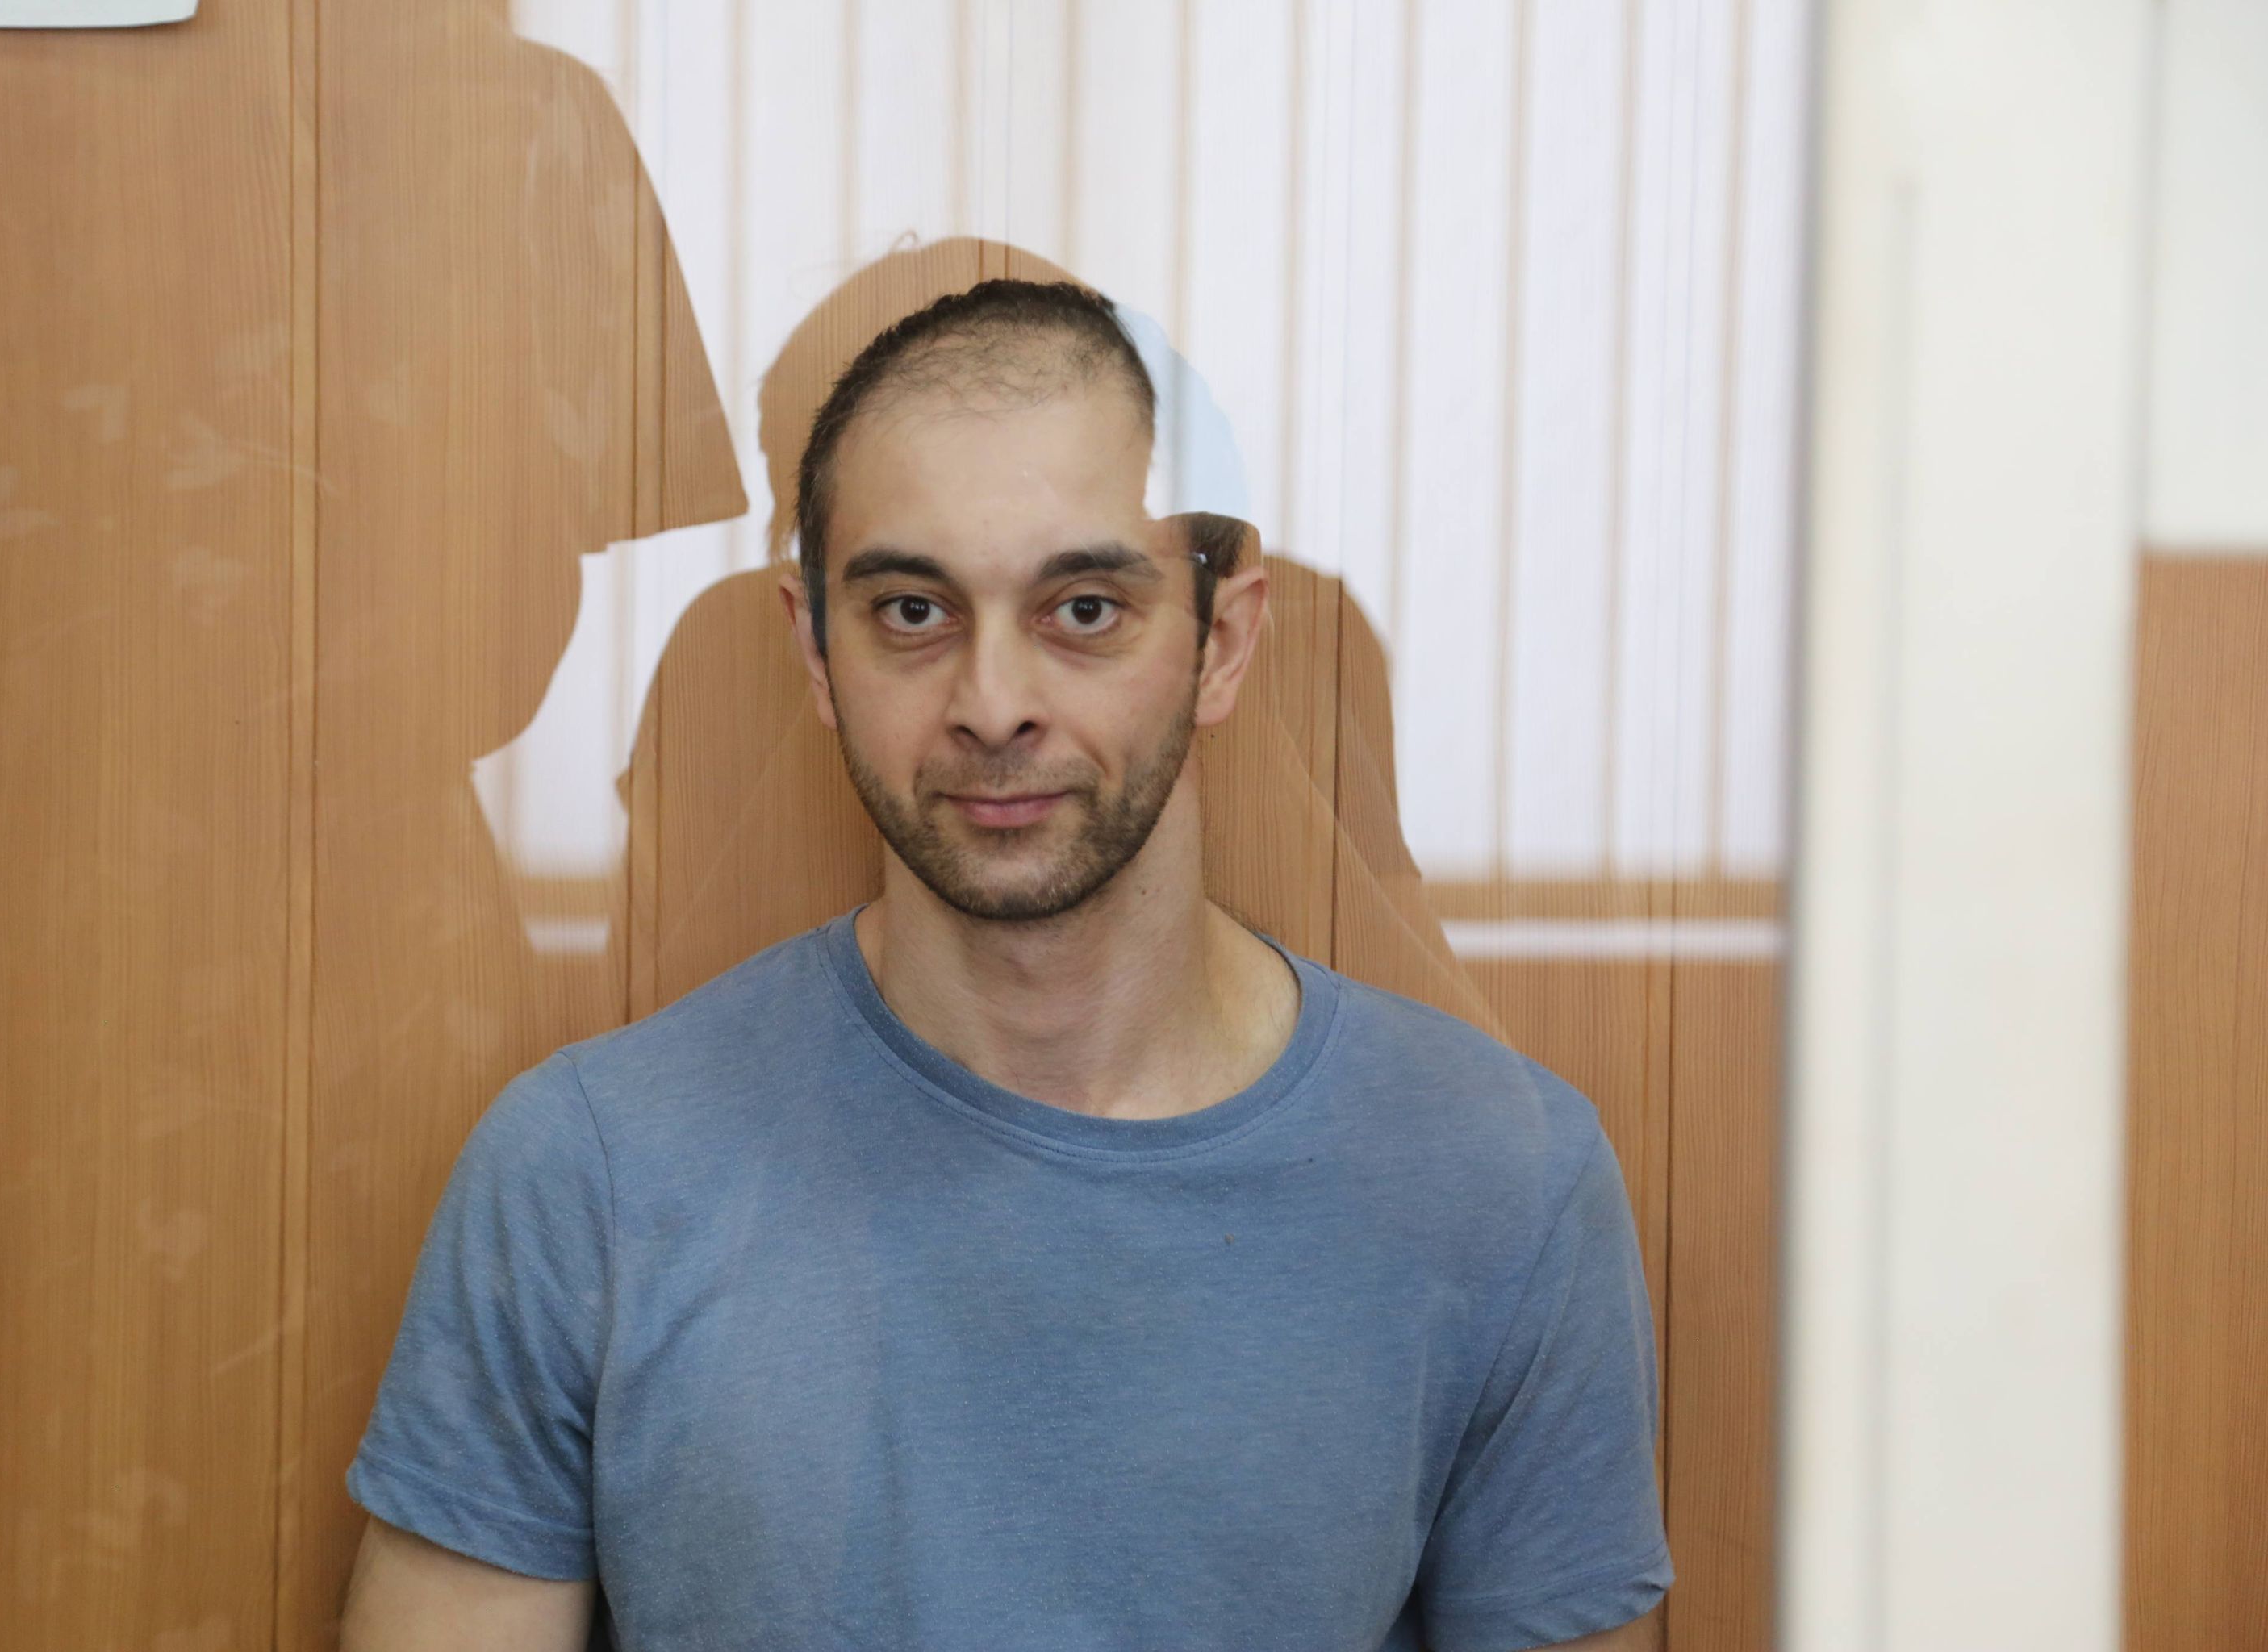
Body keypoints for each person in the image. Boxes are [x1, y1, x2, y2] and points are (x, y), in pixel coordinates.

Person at [336, 278, 1673, 1651]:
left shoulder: (1500, 1176)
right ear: (815, 651)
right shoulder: (587, 1173)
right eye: (911, 611)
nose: (991, 706)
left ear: (1219, 644)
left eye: (1083, 609)